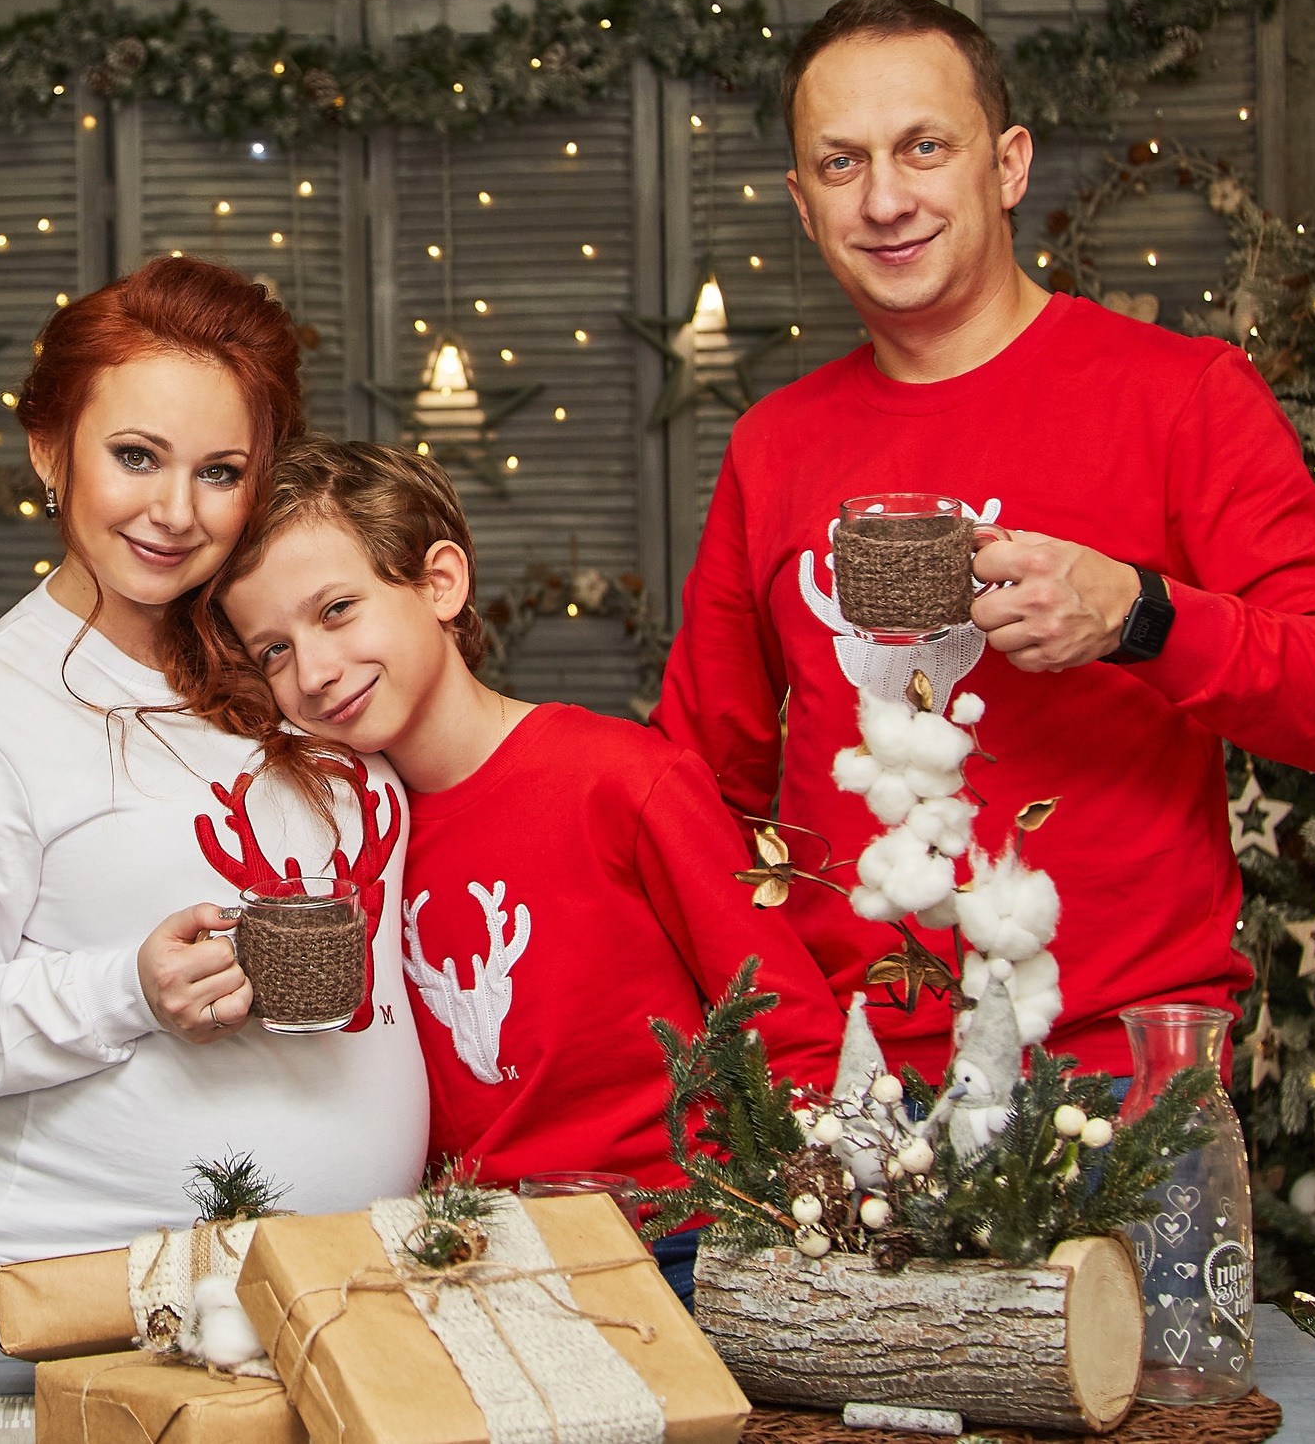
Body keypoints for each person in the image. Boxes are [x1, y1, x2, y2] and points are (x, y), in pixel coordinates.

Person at [654, 0, 1315, 1081]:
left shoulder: (1180, 396)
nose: (884, 198)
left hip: (1114, 1079)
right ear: (801, 200)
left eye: (924, 147)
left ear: (1008, 165)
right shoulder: (773, 446)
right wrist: (783, 1049)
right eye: (841, 164)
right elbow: (697, 794)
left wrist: (1140, 616)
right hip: (851, 1084)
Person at [0, 258, 428, 1302]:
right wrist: (126, 990)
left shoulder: (284, 646)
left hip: (335, 1297)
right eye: (134, 457)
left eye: (219, 470)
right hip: (74, 1306)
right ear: (47, 450)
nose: (174, 511)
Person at [179, 434, 845, 1301]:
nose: (314, 670)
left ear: (440, 583)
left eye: (337, 609)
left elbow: (790, 1033)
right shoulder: (330, 841)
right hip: (466, 1258)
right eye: (273, 649)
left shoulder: (627, 779)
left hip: (675, 1246)